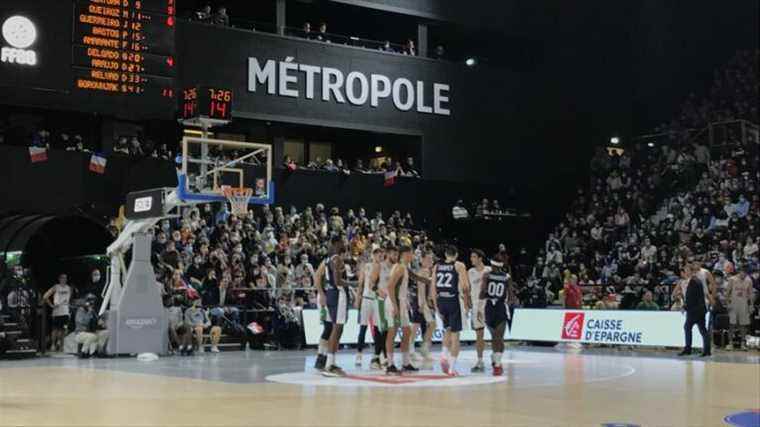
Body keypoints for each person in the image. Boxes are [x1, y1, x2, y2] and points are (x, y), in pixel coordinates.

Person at [431, 245, 470, 376]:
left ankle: (443, 355)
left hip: (441, 300)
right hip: (454, 300)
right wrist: (466, 304)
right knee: (456, 335)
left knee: (446, 329)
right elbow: (465, 287)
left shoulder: (437, 266)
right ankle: (452, 368)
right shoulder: (459, 265)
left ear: (445, 254)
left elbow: (432, 288)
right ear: (456, 255)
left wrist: (436, 306)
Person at [315, 235, 349, 377]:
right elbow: (332, 280)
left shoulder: (329, 259)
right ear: (336, 243)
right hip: (333, 294)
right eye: (342, 241)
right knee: (334, 328)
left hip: (330, 294)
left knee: (332, 328)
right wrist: (353, 284)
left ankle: (325, 360)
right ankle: (327, 362)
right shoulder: (334, 259)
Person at [385, 245, 416, 374]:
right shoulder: (400, 268)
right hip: (394, 302)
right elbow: (390, 286)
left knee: (407, 332)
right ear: (406, 254)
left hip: (401, 302)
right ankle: (390, 365)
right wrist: (395, 305)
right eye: (411, 253)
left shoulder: (402, 267)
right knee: (392, 332)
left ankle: (405, 362)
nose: (413, 256)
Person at [480, 259, 511, 376]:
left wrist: (487, 291)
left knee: (495, 338)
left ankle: (497, 363)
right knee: (498, 338)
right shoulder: (507, 277)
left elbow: (481, 294)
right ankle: (497, 360)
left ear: (493, 265)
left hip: (490, 308)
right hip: (500, 307)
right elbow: (511, 297)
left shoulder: (487, 275)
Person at [355, 247, 382, 368]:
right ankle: (359, 354)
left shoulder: (383, 267)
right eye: (377, 254)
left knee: (377, 329)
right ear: (373, 255)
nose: (379, 257)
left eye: (380, 255)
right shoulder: (366, 266)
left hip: (377, 300)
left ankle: (376, 357)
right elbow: (360, 283)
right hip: (366, 299)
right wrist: (357, 298)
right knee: (363, 327)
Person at [679, 265, 711, 357]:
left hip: (694, 310)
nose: (685, 272)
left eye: (686, 270)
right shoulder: (697, 280)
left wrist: (685, 307)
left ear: (691, 271)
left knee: (687, 327)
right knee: (703, 330)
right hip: (700, 309)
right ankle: (706, 350)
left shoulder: (693, 282)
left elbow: (690, 298)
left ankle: (688, 349)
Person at [467, 249, 491, 372]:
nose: (471, 259)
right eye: (471, 257)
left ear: (480, 258)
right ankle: (480, 360)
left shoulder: (489, 270)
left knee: (495, 333)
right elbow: (466, 288)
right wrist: (467, 303)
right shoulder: (470, 272)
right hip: (476, 306)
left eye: (474, 257)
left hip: (489, 305)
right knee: (479, 335)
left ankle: (496, 359)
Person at [43, 273, 74, 352]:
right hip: (57, 311)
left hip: (65, 311)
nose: (64, 279)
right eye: (62, 278)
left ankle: (61, 346)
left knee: (63, 330)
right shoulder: (56, 287)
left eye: (65, 278)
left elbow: (69, 300)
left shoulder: (69, 288)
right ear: (59, 279)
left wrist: (69, 307)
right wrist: (51, 305)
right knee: (55, 329)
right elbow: (45, 296)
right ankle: (53, 345)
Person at [725, 267, 752, 350]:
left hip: (743, 305)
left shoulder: (749, 281)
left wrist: (751, 305)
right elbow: (727, 293)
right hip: (733, 304)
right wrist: (727, 304)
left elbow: (750, 294)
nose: (743, 275)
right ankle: (730, 343)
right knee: (732, 324)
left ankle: (743, 343)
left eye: (745, 273)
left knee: (743, 325)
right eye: (742, 273)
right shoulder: (732, 279)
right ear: (739, 272)